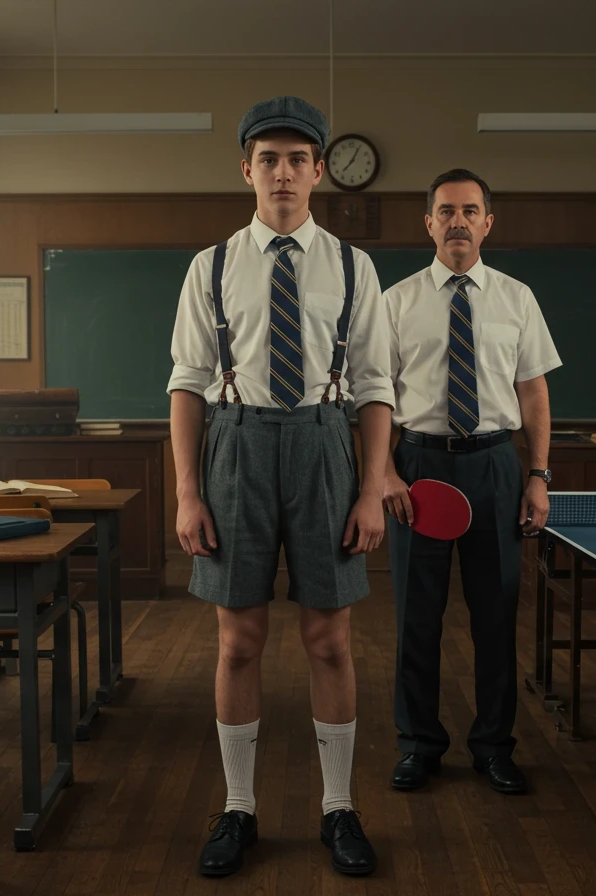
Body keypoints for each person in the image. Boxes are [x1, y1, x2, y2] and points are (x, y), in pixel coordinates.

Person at [167, 95, 393, 878]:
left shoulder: (355, 267)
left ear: (319, 171)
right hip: (237, 443)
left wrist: (371, 488)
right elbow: (188, 384)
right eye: (269, 158)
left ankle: (338, 808)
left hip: (326, 444)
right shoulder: (213, 264)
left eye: (299, 159)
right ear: (247, 170)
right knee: (239, 640)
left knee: (330, 639)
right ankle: (239, 808)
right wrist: (188, 492)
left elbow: (373, 388)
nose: (285, 172)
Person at [380, 168, 560, 795]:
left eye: (471, 210)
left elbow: (533, 394)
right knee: (415, 618)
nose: (458, 220)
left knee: (496, 616)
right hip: (419, 468)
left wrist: (536, 478)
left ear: (488, 222)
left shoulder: (518, 298)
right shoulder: (395, 302)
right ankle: (418, 744)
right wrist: (381, 472)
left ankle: (492, 746)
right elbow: (373, 398)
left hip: (493, 467)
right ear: (427, 222)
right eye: (446, 210)